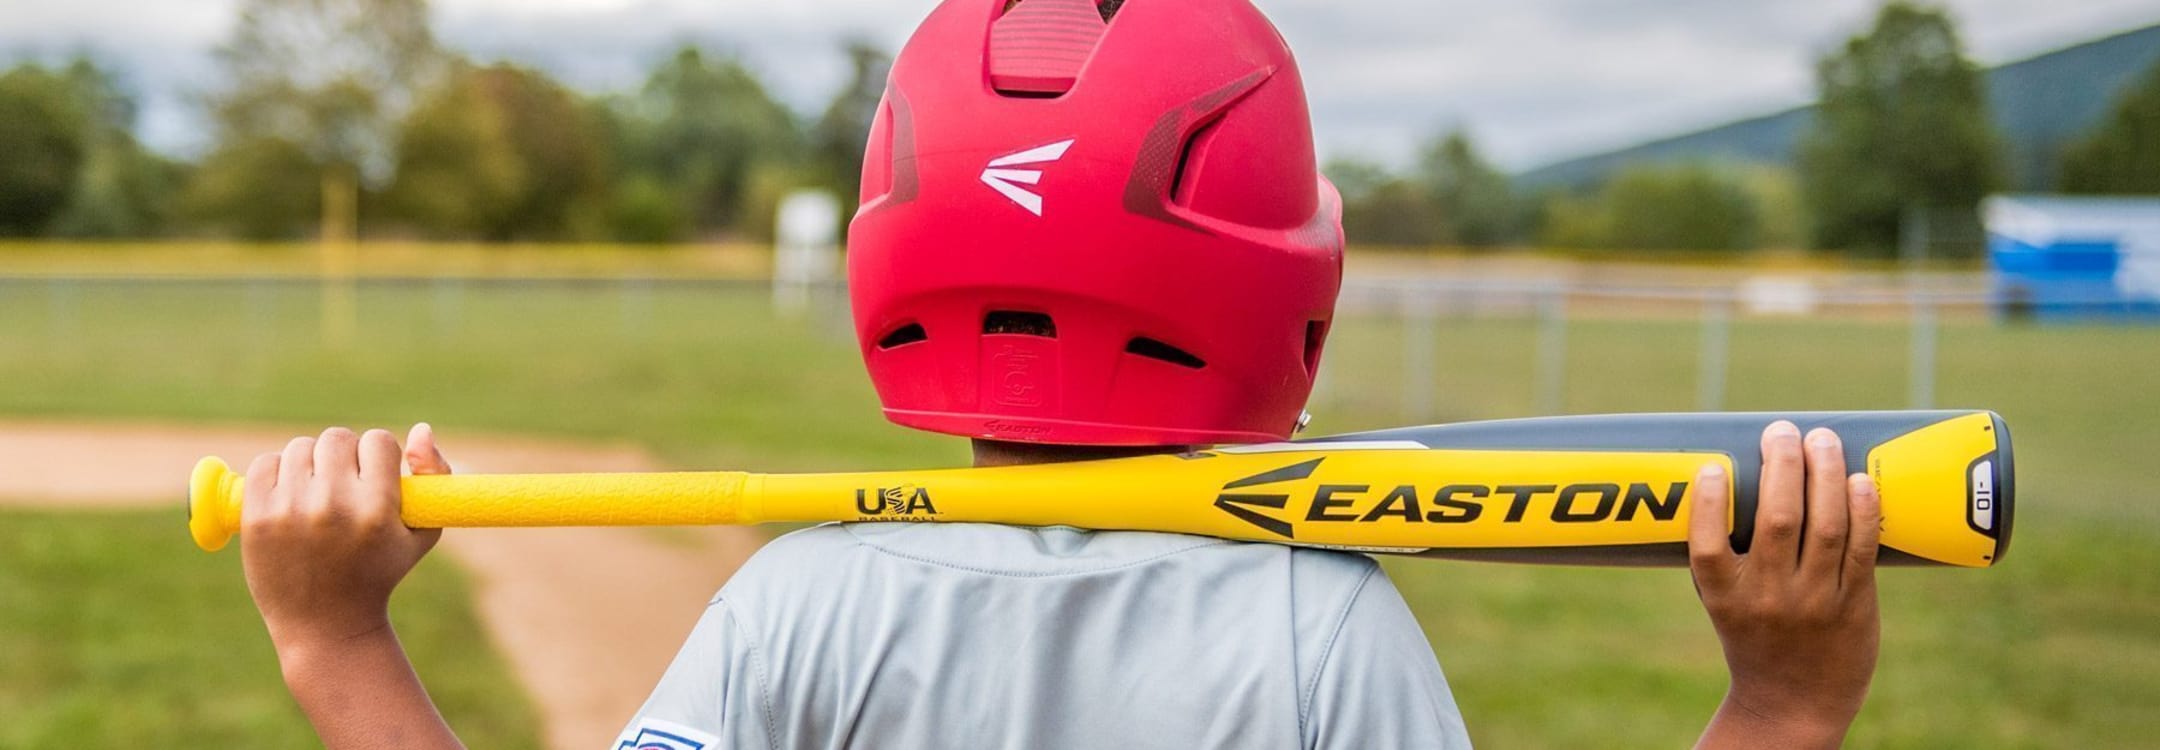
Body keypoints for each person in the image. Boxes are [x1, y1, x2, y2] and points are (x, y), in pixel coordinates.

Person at [237, 0, 1885, 747]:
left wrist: (334, 639)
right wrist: (1783, 704)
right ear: (1277, 288)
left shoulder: (802, 603)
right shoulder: (1319, 634)